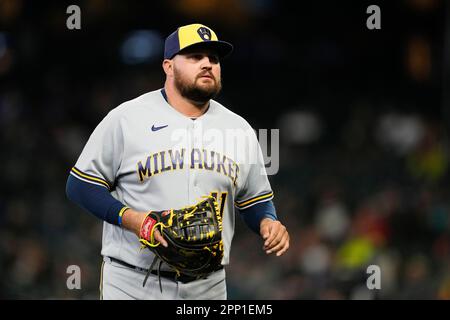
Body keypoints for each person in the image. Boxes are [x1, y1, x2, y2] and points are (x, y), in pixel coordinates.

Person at [66, 23, 289, 300]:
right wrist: (131, 219)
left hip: (208, 286)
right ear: (168, 66)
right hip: (133, 282)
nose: (207, 64)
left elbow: (255, 200)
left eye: (214, 59)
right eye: (195, 57)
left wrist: (268, 221)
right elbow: (79, 185)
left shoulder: (239, 129)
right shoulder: (126, 118)